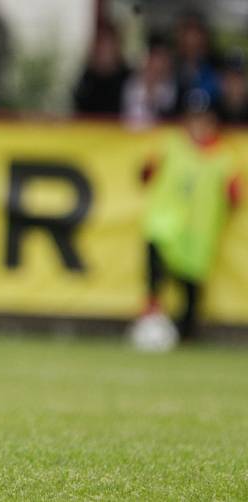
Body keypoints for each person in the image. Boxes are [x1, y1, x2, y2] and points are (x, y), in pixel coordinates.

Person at [138, 90, 241, 341]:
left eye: (203, 119)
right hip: (167, 225)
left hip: (198, 236)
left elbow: (235, 195)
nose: (198, 125)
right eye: (193, 118)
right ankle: (152, 311)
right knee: (154, 258)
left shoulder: (223, 157)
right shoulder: (171, 144)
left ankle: (183, 334)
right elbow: (144, 174)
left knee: (190, 296)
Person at [122, 34, 178, 129]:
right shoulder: (132, 83)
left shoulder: (170, 87)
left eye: (164, 59)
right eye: (156, 57)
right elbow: (129, 113)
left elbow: (167, 112)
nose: (159, 64)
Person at [73, 22, 130, 115]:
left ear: (117, 47)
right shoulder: (87, 78)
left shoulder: (128, 78)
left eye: (107, 44)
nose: (103, 50)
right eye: (100, 44)